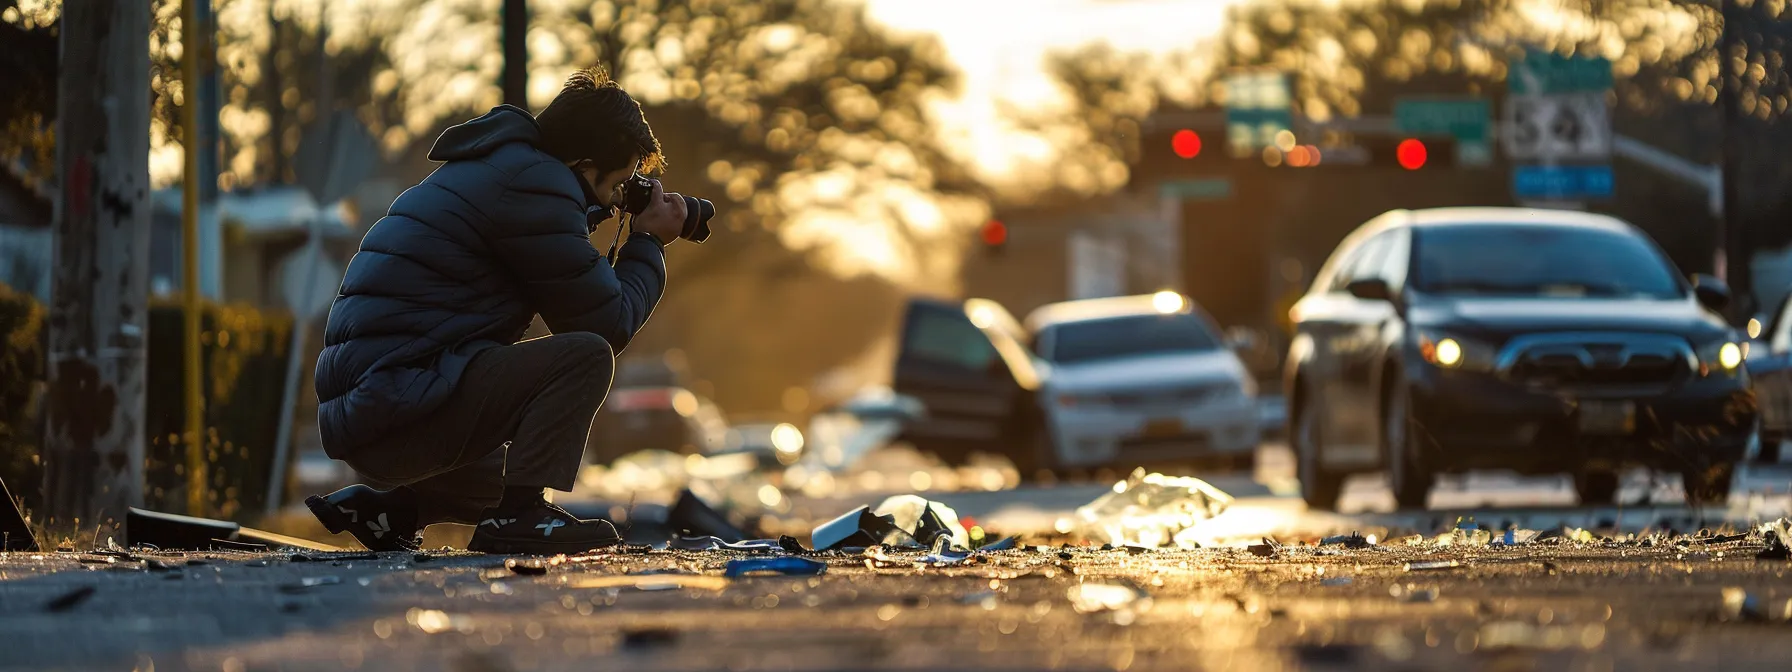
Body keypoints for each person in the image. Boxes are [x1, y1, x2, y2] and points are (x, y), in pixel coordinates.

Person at [305, 67, 689, 555]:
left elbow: (559, 259)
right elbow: (605, 323)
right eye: (616, 185)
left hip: (374, 407)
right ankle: (520, 517)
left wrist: (615, 212)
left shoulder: (505, 170)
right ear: (582, 163)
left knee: (496, 482)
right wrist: (650, 241)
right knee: (587, 355)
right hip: (394, 402)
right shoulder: (534, 187)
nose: (617, 201)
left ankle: (390, 511)